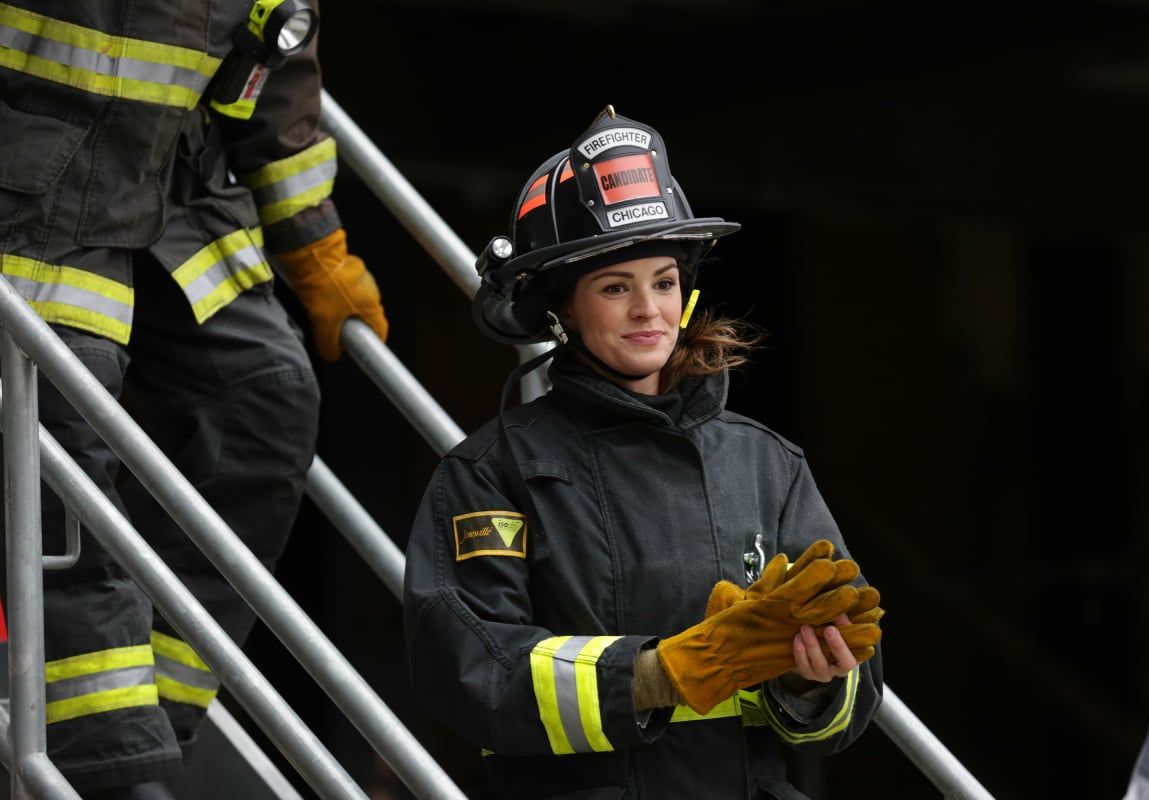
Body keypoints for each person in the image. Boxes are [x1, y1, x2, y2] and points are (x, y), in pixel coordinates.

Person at [403, 105, 884, 799]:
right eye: (615, 287)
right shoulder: (493, 474)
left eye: (663, 281)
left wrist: (807, 680)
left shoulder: (766, 467)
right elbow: (468, 667)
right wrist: (657, 674)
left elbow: (848, 705)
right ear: (563, 308)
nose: (648, 310)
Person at [0, 1, 387, 797]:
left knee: (263, 403)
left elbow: (272, 71)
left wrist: (314, 241)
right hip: (25, 187)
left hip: (165, 182)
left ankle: (145, 726)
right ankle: (111, 767)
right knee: (61, 451)